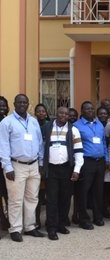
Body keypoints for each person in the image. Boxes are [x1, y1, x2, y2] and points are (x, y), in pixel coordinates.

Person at [0, 94, 45, 242]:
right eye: (19, 102)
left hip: (33, 165)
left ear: (28, 104)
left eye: (24, 102)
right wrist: (7, 167)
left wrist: (41, 163)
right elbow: (3, 146)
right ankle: (15, 229)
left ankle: (30, 226)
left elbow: (39, 143)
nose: (21, 104)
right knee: (15, 199)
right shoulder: (7, 122)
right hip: (16, 166)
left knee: (32, 198)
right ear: (14, 104)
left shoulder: (33, 121)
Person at [41, 106, 84, 240]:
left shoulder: (73, 130)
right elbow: (40, 148)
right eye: (61, 113)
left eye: (66, 114)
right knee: (52, 199)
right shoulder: (47, 128)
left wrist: (77, 170)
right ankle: (51, 228)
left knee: (65, 199)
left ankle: (61, 224)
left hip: (67, 169)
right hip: (51, 169)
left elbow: (78, 152)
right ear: (56, 113)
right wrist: (41, 166)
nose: (63, 116)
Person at [74, 101, 110, 230]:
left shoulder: (99, 124)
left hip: (99, 162)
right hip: (86, 162)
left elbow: (103, 143)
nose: (90, 111)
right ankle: (83, 219)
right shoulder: (76, 126)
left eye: (92, 109)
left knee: (98, 191)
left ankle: (97, 216)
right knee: (83, 192)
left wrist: (106, 159)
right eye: (87, 109)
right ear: (82, 111)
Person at [0, 96, 9, 232]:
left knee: (7, 194)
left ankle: (7, 221)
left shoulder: (8, 121)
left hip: (7, 163)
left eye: (3, 105)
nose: (2, 107)